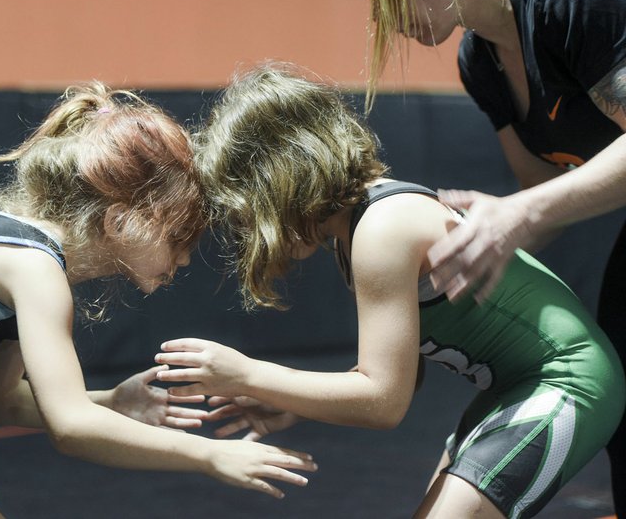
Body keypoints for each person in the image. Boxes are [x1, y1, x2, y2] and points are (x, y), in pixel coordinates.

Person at [0, 80, 317, 518]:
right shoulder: (33, 267)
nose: (185, 260)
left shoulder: (21, 267)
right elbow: (72, 427)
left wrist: (111, 401)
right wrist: (210, 455)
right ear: (122, 221)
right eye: (180, 236)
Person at [154, 63, 626, 517]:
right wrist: (288, 398)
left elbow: (383, 403)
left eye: (249, 210)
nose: (248, 228)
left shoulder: (382, 228)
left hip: (565, 381)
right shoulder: (354, 235)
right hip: (516, 387)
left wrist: (248, 374)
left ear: (283, 178)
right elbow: (401, 374)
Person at [356, 0, 626, 511]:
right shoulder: (480, 61)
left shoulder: (571, 2)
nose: (382, 15)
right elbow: (541, 189)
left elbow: (532, 210)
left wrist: (519, 215)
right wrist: (474, 240)